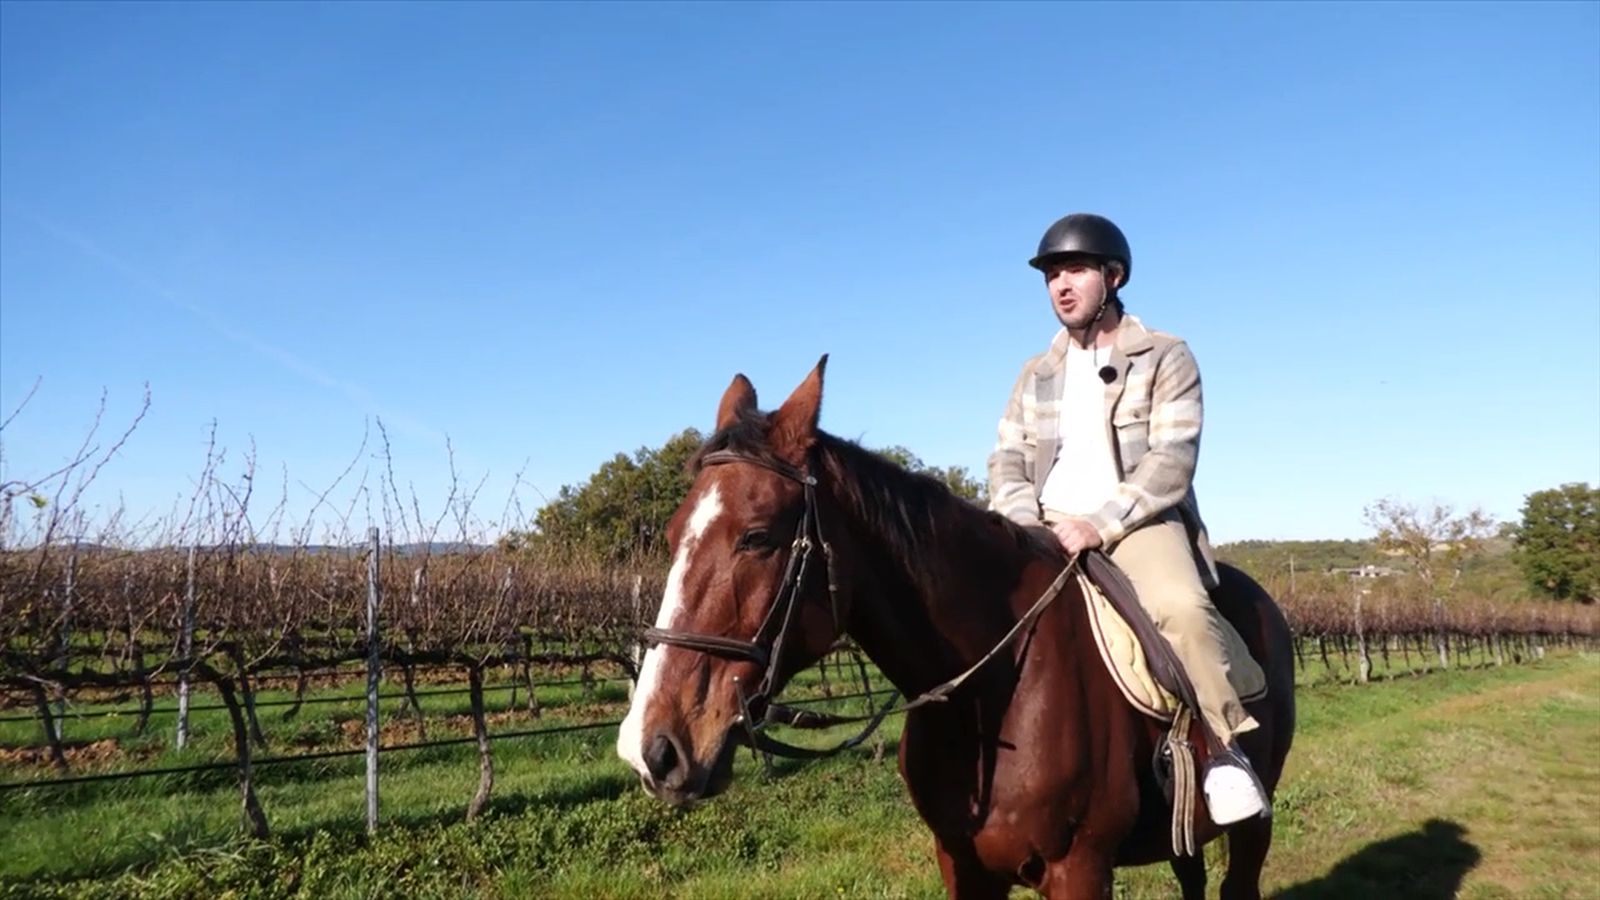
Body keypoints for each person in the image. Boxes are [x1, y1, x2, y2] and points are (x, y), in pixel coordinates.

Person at [986, 212, 1268, 825]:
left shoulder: (1165, 354)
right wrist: (1018, 525)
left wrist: (1099, 525)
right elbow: (1006, 456)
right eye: (1052, 274)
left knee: (1182, 609)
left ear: (1113, 277)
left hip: (1136, 519)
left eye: (1076, 271)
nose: (1061, 285)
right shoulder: (1034, 374)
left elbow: (1172, 460)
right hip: (1041, 522)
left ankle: (1224, 749)